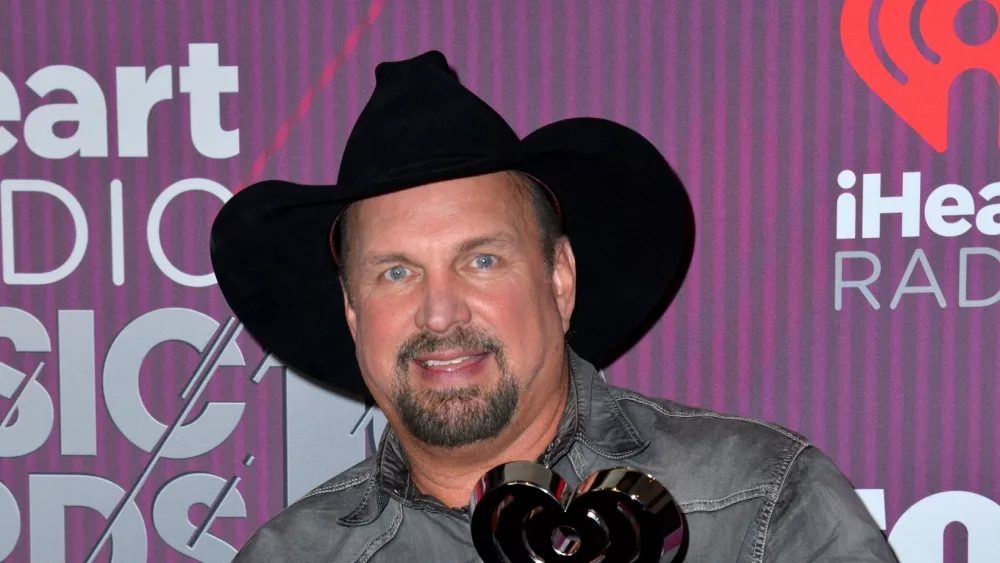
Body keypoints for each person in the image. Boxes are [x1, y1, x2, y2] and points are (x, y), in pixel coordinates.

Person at [210, 51, 897, 562]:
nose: (440, 313)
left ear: (559, 279)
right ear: (354, 313)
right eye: (396, 272)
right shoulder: (290, 555)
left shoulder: (758, 500)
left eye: (481, 260)